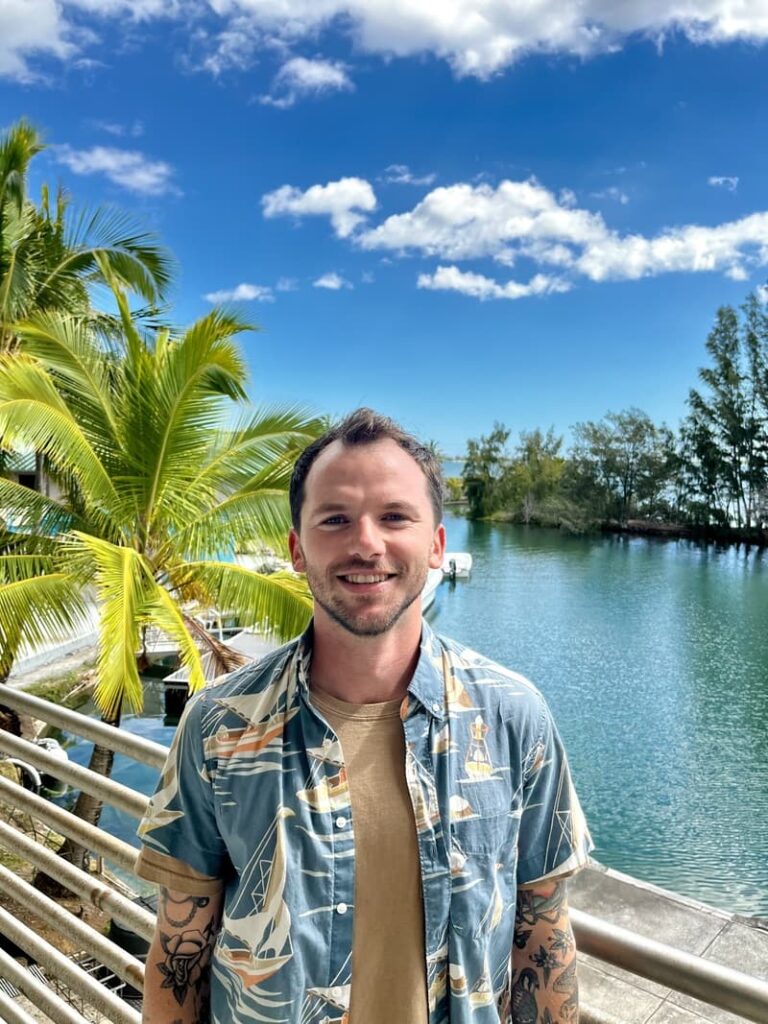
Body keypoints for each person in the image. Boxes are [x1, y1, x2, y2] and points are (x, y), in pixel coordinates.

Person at [136, 408, 593, 1024]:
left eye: (394, 517)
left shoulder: (514, 718)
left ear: (436, 545)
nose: (366, 543)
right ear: (298, 550)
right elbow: (180, 946)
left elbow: (542, 934)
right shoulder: (219, 726)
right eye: (336, 520)